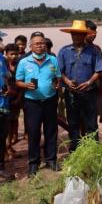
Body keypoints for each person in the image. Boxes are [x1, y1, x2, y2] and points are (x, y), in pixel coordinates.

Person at [16, 32, 61, 176]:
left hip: (50, 100)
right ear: (31, 46)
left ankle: (51, 160)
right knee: (34, 132)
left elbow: (57, 77)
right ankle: (34, 164)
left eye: (42, 43)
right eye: (37, 43)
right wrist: (26, 85)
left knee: (51, 131)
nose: (40, 46)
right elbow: (18, 81)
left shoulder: (52, 60)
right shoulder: (24, 62)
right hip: (32, 103)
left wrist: (56, 84)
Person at [58, 21, 102, 152]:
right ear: (71, 35)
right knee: (73, 122)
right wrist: (66, 81)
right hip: (71, 93)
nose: (76, 37)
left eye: (79, 34)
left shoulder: (94, 51)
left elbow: (98, 71)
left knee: (91, 123)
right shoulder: (64, 51)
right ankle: (75, 150)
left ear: (84, 35)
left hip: (89, 92)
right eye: (74, 34)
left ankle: (93, 149)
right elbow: (59, 72)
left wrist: (89, 82)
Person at [0, 47, 14, 182]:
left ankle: (1, 168)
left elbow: (6, 77)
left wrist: (8, 88)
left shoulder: (2, 59)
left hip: (3, 104)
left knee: (1, 137)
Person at [4, 44, 20, 159]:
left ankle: (9, 145)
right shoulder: (3, 65)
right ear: (6, 54)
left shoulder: (20, 65)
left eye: (16, 54)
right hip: (5, 99)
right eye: (11, 54)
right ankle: (5, 148)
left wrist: (19, 98)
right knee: (6, 124)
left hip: (16, 98)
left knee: (14, 122)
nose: (14, 56)